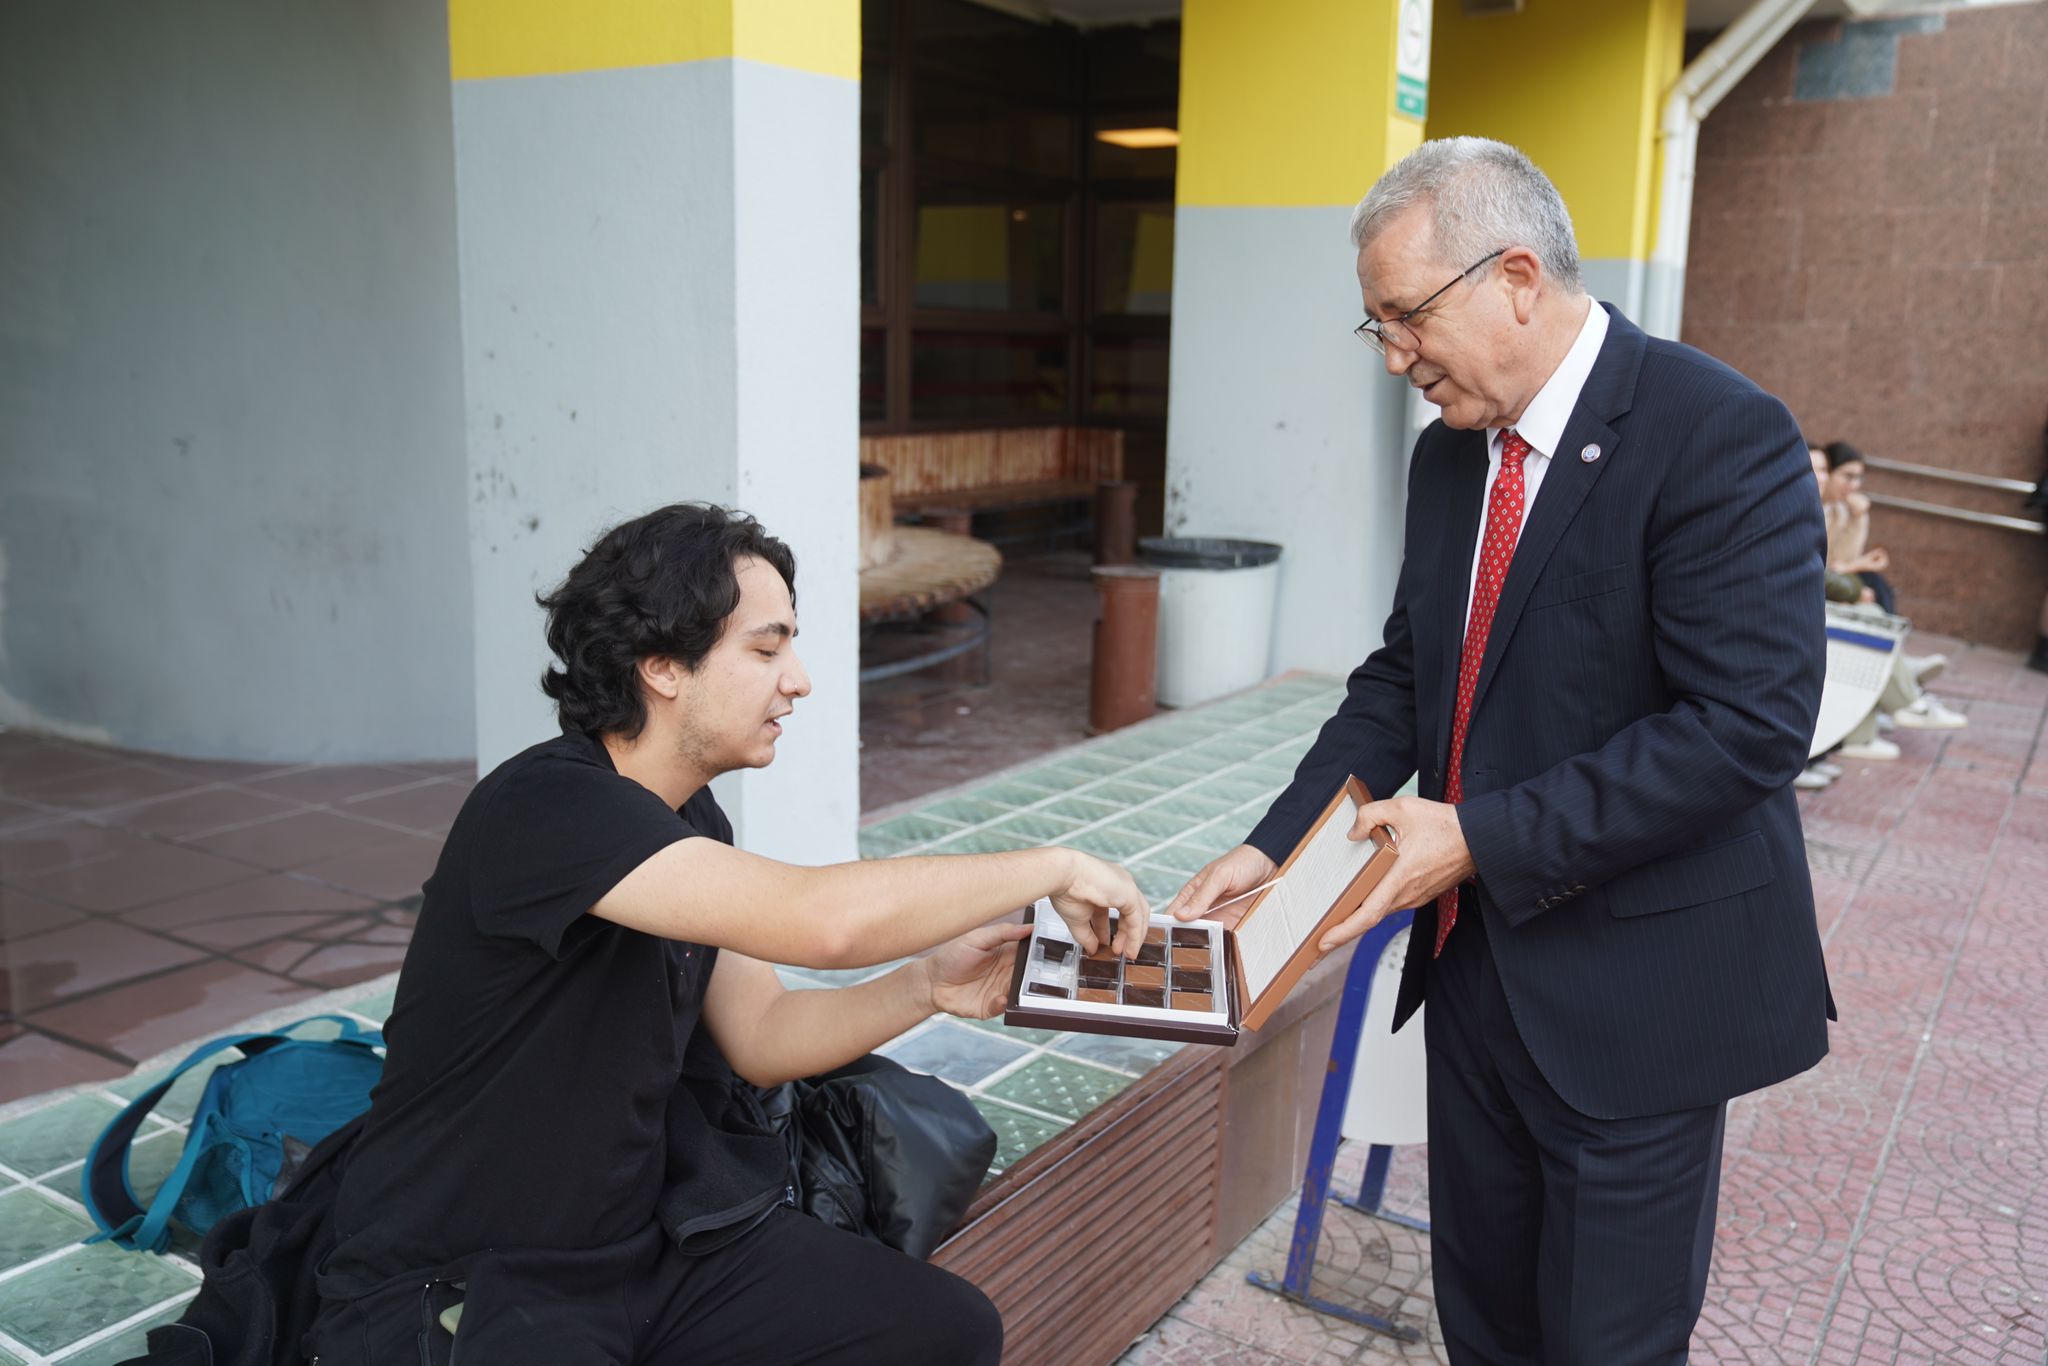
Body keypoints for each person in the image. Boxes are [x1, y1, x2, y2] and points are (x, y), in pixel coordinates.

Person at [1167, 138, 1835, 1363]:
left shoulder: (1714, 433)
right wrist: (1276, 847)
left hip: (1636, 998)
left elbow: (1746, 727)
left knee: (1602, 1343)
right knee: (1482, 1325)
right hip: (1477, 982)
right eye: (1372, 327)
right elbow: (1406, 678)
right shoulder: (1447, 455)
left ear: (1516, 275)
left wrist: (1474, 835)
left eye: (1405, 318)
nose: (1393, 357)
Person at [307, 504, 1149, 1365]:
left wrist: (924, 985)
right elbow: (821, 922)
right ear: (663, 664)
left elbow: (760, 1035)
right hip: (478, 1276)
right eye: (766, 648)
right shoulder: (544, 810)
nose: (800, 680)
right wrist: (1056, 867)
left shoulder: (690, 818)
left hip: (645, 1250)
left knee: (948, 1331)